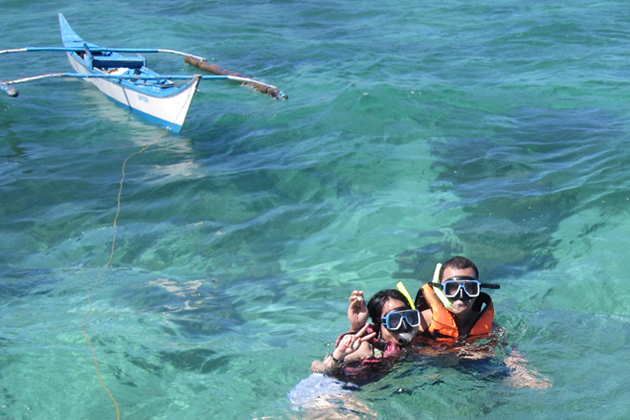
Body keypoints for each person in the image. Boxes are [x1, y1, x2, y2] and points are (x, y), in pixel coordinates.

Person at [310, 289, 419, 378]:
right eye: (394, 320)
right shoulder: (367, 347)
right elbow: (321, 370)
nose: (404, 325)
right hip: (329, 387)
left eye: (409, 317)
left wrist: (357, 325)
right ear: (379, 323)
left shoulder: (409, 340)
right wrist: (339, 354)